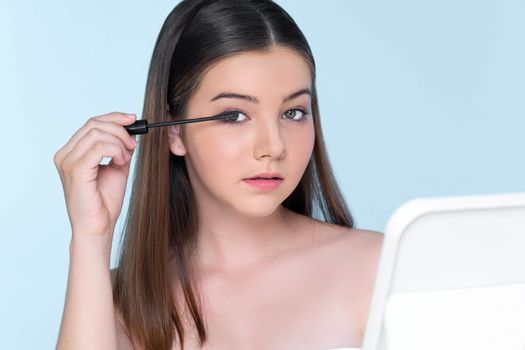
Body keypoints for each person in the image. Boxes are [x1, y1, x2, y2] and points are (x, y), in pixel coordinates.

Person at [53, 0, 383, 349]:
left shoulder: (379, 267)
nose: (272, 147)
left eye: (293, 113)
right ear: (174, 131)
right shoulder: (120, 304)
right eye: (234, 116)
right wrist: (91, 236)